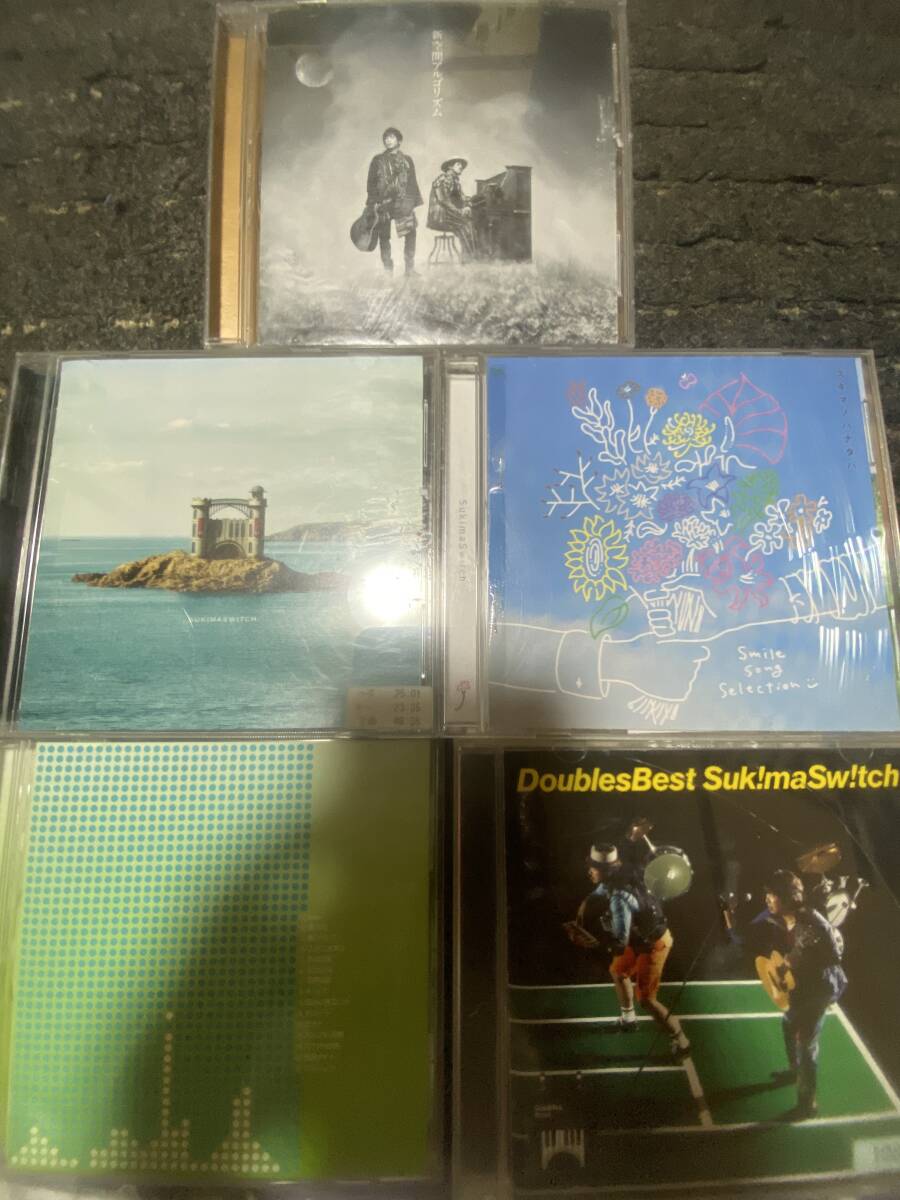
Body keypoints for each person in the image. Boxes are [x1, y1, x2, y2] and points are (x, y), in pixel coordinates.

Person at [569, 843, 691, 1059]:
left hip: (654, 944)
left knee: (646, 999)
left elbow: (619, 943)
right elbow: (599, 893)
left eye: (594, 867)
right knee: (618, 971)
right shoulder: (623, 872)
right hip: (642, 935)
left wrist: (592, 942)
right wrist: (584, 908)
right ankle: (628, 1019)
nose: (590, 871)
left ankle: (681, 1040)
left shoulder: (619, 899)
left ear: (606, 870)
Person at [756, 870, 847, 1119]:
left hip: (820, 986)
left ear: (786, 897)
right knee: (788, 1022)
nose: (767, 899)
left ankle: (808, 1102)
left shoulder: (811, 923)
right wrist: (789, 962)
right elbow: (797, 950)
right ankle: (794, 1070)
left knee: (805, 1043)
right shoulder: (788, 917)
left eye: (772, 895)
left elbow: (834, 954)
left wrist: (805, 958)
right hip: (803, 982)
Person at [365, 127, 423, 276]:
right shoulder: (377, 160)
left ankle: (409, 269)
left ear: (399, 141)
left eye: (391, 137)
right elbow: (371, 183)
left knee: (411, 233)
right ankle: (388, 270)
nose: (388, 140)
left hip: (402, 201)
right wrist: (374, 202)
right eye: (386, 138)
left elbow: (412, 183)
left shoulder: (407, 160)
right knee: (384, 236)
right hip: (383, 202)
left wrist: (411, 202)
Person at [427, 157, 478, 261]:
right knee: (466, 224)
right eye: (458, 164)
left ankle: (472, 257)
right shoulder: (443, 179)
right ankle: (469, 259)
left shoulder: (455, 181)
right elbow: (443, 200)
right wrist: (459, 211)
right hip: (440, 214)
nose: (461, 167)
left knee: (471, 222)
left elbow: (462, 198)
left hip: (448, 213)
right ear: (450, 166)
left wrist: (469, 204)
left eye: (462, 165)